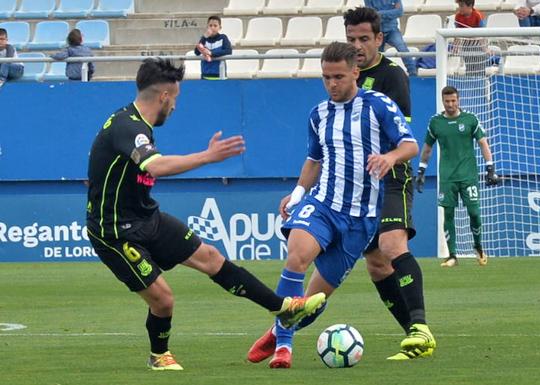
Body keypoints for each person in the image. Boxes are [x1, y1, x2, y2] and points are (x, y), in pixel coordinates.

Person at [85, 58, 325, 371]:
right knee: (163, 299)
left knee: (211, 257)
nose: (175, 108)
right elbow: (155, 166)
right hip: (114, 231)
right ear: (165, 96)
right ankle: (159, 356)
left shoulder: (137, 125)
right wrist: (208, 157)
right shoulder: (128, 127)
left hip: (146, 218)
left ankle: (284, 309)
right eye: (176, 99)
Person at [247, 6, 435, 364]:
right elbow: (314, 159)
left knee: (390, 247)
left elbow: (405, 141)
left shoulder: (389, 82)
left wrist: (389, 158)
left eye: (364, 38)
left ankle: (419, 328)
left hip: (384, 182)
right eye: (352, 39)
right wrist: (299, 193)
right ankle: (283, 342)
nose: (358, 44)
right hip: (328, 201)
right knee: (361, 262)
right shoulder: (319, 113)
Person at [415, 86, 499, 268]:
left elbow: (483, 143)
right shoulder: (435, 122)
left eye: (453, 101)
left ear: (458, 100)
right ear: (443, 101)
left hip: (468, 176)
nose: (451, 104)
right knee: (449, 214)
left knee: (474, 213)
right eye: (447, 101)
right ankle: (452, 255)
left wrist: (490, 168)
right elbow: (427, 148)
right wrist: (421, 171)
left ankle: (478, 246)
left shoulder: (470, 119)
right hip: (447, 177)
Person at [364, 0, 417, 76]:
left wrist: (380, 14)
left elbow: (399, 12)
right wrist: (390, 13)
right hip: (377, 31)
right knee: (377, 56)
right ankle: (377, 76)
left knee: (402, 49)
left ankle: (413, 74)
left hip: (392, 30)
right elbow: (371, 15)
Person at [453, 0, 488, 77]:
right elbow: (457, 34)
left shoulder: (478, 15)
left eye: (462, 6)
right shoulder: (458, 17)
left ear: (470, 6)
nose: (459, 8)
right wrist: (455, 47)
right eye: (459, 6)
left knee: (480, 68)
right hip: (466, 45)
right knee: (469, 68)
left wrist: (484, 48)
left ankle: (481, 80)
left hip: (478, 45)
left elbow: (483, 34)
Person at [194, 15, 232, 79]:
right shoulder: (204, 39)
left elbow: (228, 51)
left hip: (220, 74)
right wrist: (204, 37)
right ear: (207, 27)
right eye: (210, 25)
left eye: (215, 26)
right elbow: (196, 52)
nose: (212, 28)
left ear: (220, 27)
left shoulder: (223, 38)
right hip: (205, 74)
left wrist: (211, 53)